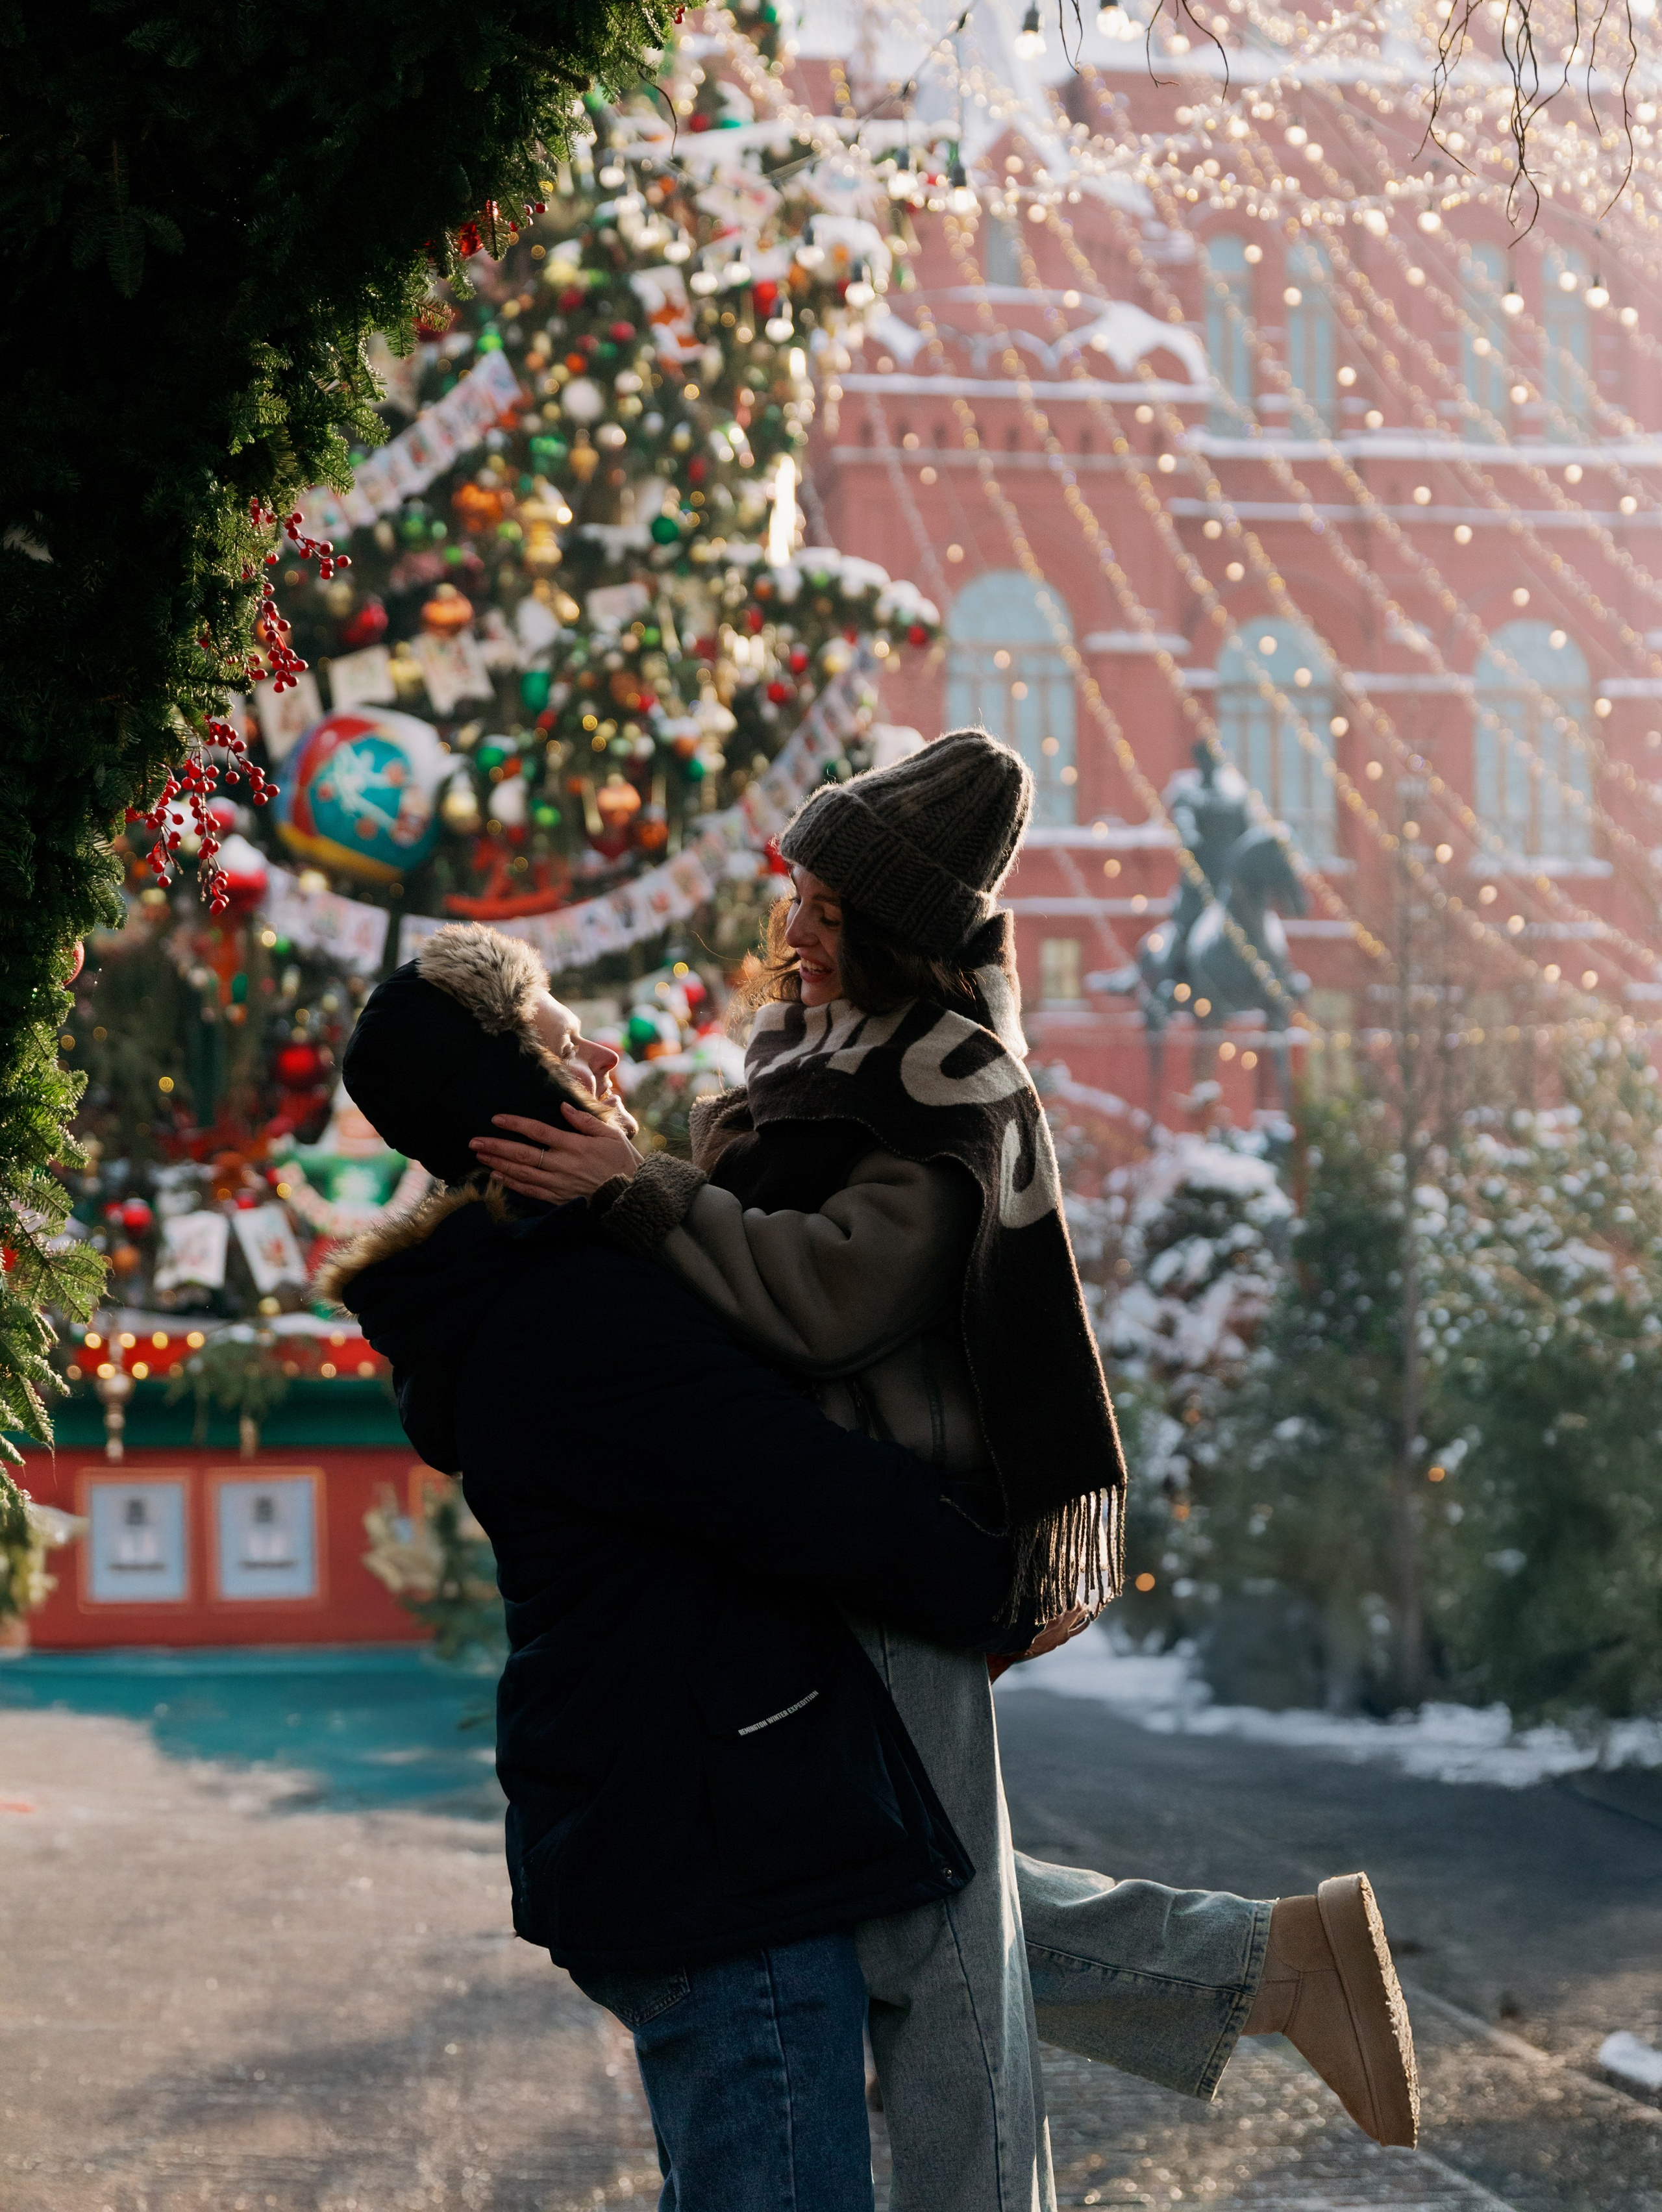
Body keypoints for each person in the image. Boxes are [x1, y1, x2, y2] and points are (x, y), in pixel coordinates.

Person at [470, 733, 1420, 2209]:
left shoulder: (943, 1085)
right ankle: (1264, 1966)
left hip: (891, 1540)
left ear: (882, 930)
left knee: (936, 1957)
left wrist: (637, 1189)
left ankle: (1247, 1985)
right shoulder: (811, 1056)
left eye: (821, 908)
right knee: (891, 1894)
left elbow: (828, 1296)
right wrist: (640, 1185)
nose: (790, 926)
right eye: (796, 894)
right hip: (810, 1545)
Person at [325, 928, 1069, 2212]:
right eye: (563, 1040)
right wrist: (1012, 1580)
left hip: (691, 1830)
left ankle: (1266, 1964)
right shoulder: (572, 1313)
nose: (603, 1055)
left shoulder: (544, 1286)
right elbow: (803, 1491)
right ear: (516, 1103)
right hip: (718, 1862)